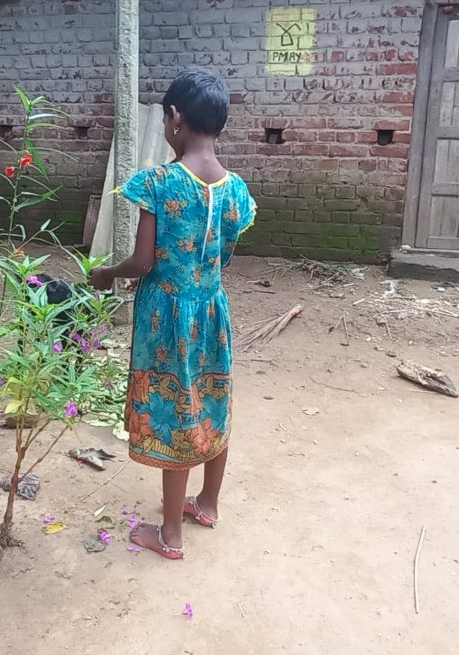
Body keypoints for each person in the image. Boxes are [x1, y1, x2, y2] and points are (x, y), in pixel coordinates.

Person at [89, 70, 255, 560]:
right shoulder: (236, 190)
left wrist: (106, 273)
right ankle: (206, 504)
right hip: (211, 308)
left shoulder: (159, 183)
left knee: (175, 407)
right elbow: (223, 255)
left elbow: (142, 263)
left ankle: (170, 535)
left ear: (175, 118)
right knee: (211, 397)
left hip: (166, 316)